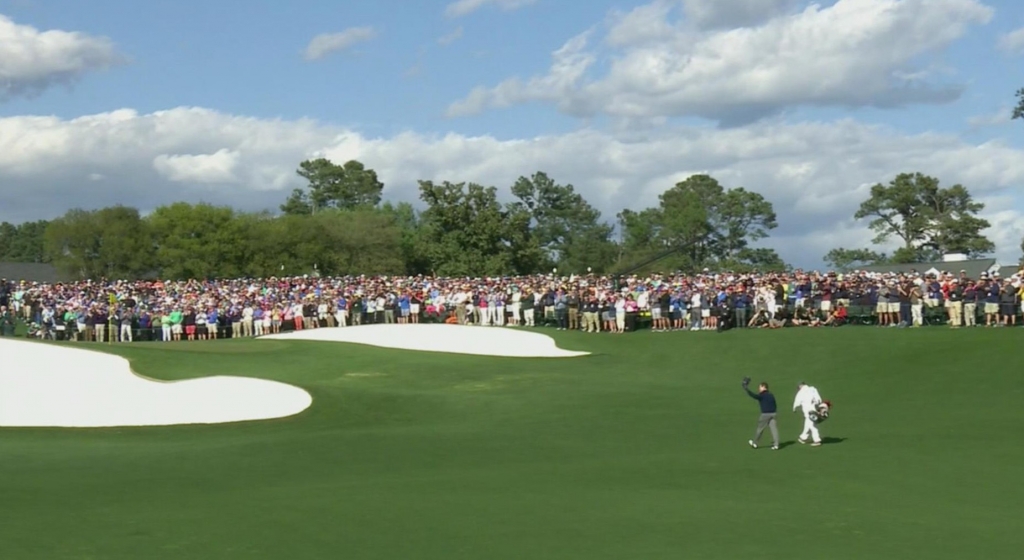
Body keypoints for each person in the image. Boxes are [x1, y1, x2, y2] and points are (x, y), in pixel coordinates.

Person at [743, 378, 779, 450]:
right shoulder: (771, 395)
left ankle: (755, 443)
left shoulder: (762, 395)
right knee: (774, 429)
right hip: (773, 413)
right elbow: (775, 404)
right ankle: (776, 444)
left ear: (763, 387)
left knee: (760, 429)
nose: (759, 389)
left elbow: (754, 396)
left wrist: (746, 389)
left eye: (760, 387)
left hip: (765, 414)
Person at [793, 381, 823, 446]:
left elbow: (797, 402)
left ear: (800, 386)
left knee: (812, 425)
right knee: (808, 424)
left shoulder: (800, 392)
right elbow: (819, 399)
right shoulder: (813, 389)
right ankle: (803, 438)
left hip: (808, 412)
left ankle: (817, 440)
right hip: (815, 410)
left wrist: (794, 408)